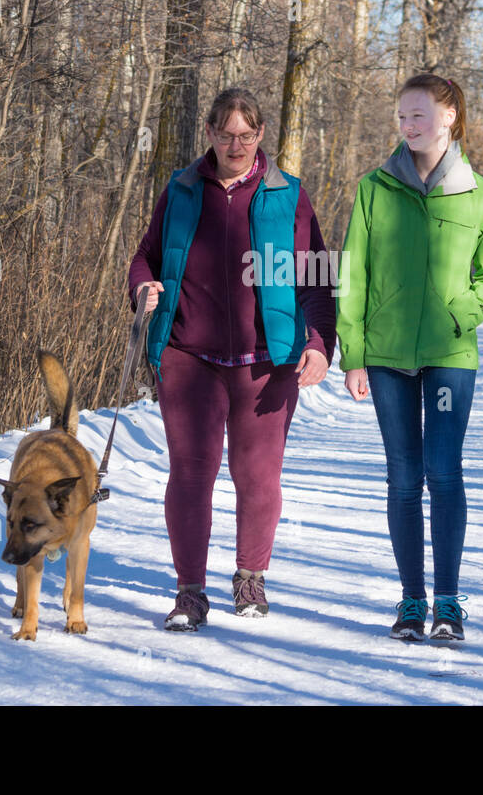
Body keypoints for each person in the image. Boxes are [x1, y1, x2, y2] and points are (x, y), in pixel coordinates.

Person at [128, 87, 336, 631]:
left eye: (246, 135)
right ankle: (189, 592)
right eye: (226, 135)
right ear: (211, 136)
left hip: (267, 359)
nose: (236, 144)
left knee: (258, 475)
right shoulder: (181, 189)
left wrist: (319, 343)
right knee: (190, 473)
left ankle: (250, 578)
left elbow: (316, 277)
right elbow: (146, 256)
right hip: (187, 356)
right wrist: (145, 287)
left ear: (260, 136)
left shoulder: (287, 194)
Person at [336, 73, 483, 641]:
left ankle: (449, 602)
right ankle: (412, 601)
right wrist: (354, 354)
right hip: (386, 355)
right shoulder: (375, 188)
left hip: (449, 354)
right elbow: (353, 272)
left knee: (443, 473)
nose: (408, 125)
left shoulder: (479, 194)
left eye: (418, 115)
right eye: (402, 117)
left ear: (450, 118)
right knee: (402, 479)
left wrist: (460, 312)